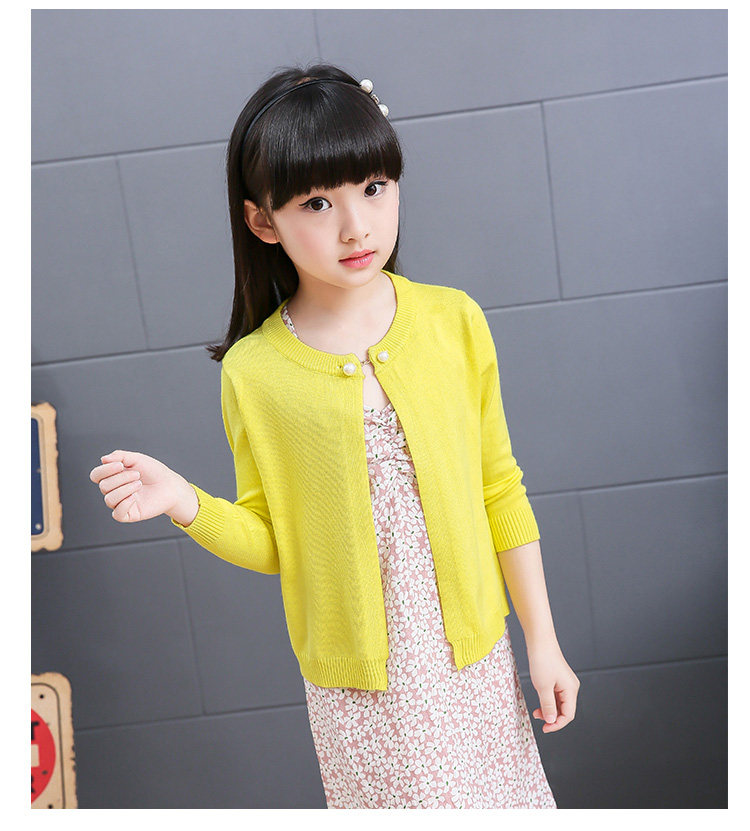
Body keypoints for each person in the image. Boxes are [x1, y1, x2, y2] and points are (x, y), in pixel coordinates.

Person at [88, 62, 579, 809]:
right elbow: (273, 543)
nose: (357, 226)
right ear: (262, 221)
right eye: (317, 202)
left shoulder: (454, 322)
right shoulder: (256, 372)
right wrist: (184, 500)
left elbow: (499, 490)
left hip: (475, 666)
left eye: (374, 188)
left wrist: (542, 642)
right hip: (360, 699)